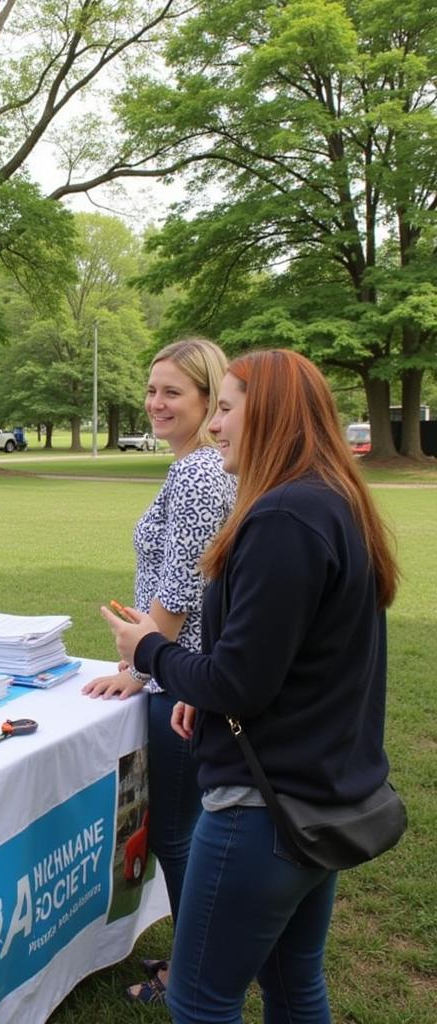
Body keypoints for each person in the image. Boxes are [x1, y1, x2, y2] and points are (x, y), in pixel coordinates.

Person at [100, 349, 399, 1024]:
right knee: (295, 988)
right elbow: (279, 665)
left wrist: (146, 648)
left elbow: (237, 680)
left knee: (201, 1000)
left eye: (226, 409)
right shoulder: (329, 501)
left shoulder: (285, 518)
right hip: (315, 800)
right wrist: (202, 697)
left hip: (266, 809)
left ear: (268, 417)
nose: (216, 427)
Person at [82, 338, 236, 1005]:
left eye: (172, 392)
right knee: (187, 830)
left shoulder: (201, 472)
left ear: (207, 400)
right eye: (151, 390)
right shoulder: (199, 467)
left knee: (179, 834)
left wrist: (143, 668)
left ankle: (191, 974)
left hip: (182, 682)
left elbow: (181, 587)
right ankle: (196, 958)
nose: (155, 403)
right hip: (176, 669)